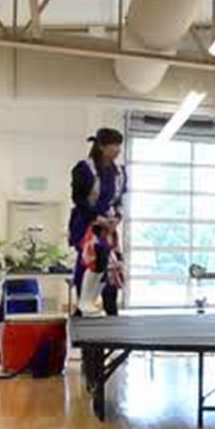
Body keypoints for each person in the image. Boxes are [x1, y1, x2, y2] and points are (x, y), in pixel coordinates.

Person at [69, 128, 126, 316]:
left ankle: (112, 315)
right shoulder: (84, 168)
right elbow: (78, 199)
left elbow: (120, 200)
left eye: (120, 145)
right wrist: (97, 219)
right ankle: (84, 307)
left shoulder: (119, 172)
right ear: (101, 146)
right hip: (86, 225)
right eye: (114, 145)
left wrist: (116, 218)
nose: (118, 149)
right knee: (91, 262)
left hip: (108, 227)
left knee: (112, 270)